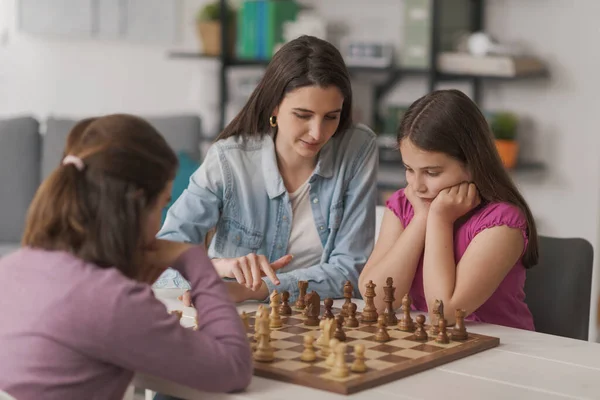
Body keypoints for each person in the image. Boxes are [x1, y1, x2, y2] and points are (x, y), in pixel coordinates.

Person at [0, 115, 253, 399]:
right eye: (162, 204)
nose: (160, 224)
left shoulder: (10, 269)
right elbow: (234, 367)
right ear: (135, 205)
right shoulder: (112, 301)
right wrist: (195, 260)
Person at [155, 35, 378, 304]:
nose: (318, 132)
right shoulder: (228, 160)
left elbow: (349, 272)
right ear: (274, 105)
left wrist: (254, 289)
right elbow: (157, 262)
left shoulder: (358, 147)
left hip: (316, 319)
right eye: (303, 115)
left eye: (331, 116)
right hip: (237, 316)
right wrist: (217, 268)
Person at [359, 89, 538, 330]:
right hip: (425, 344)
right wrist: (421, 218)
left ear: (472, 164)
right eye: (409, 169)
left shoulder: (502, 223)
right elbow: (376, 300)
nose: (417, 185)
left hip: (499, 350)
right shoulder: (406, 204)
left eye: (432, 173)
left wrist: (439, 220)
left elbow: (443, 313)